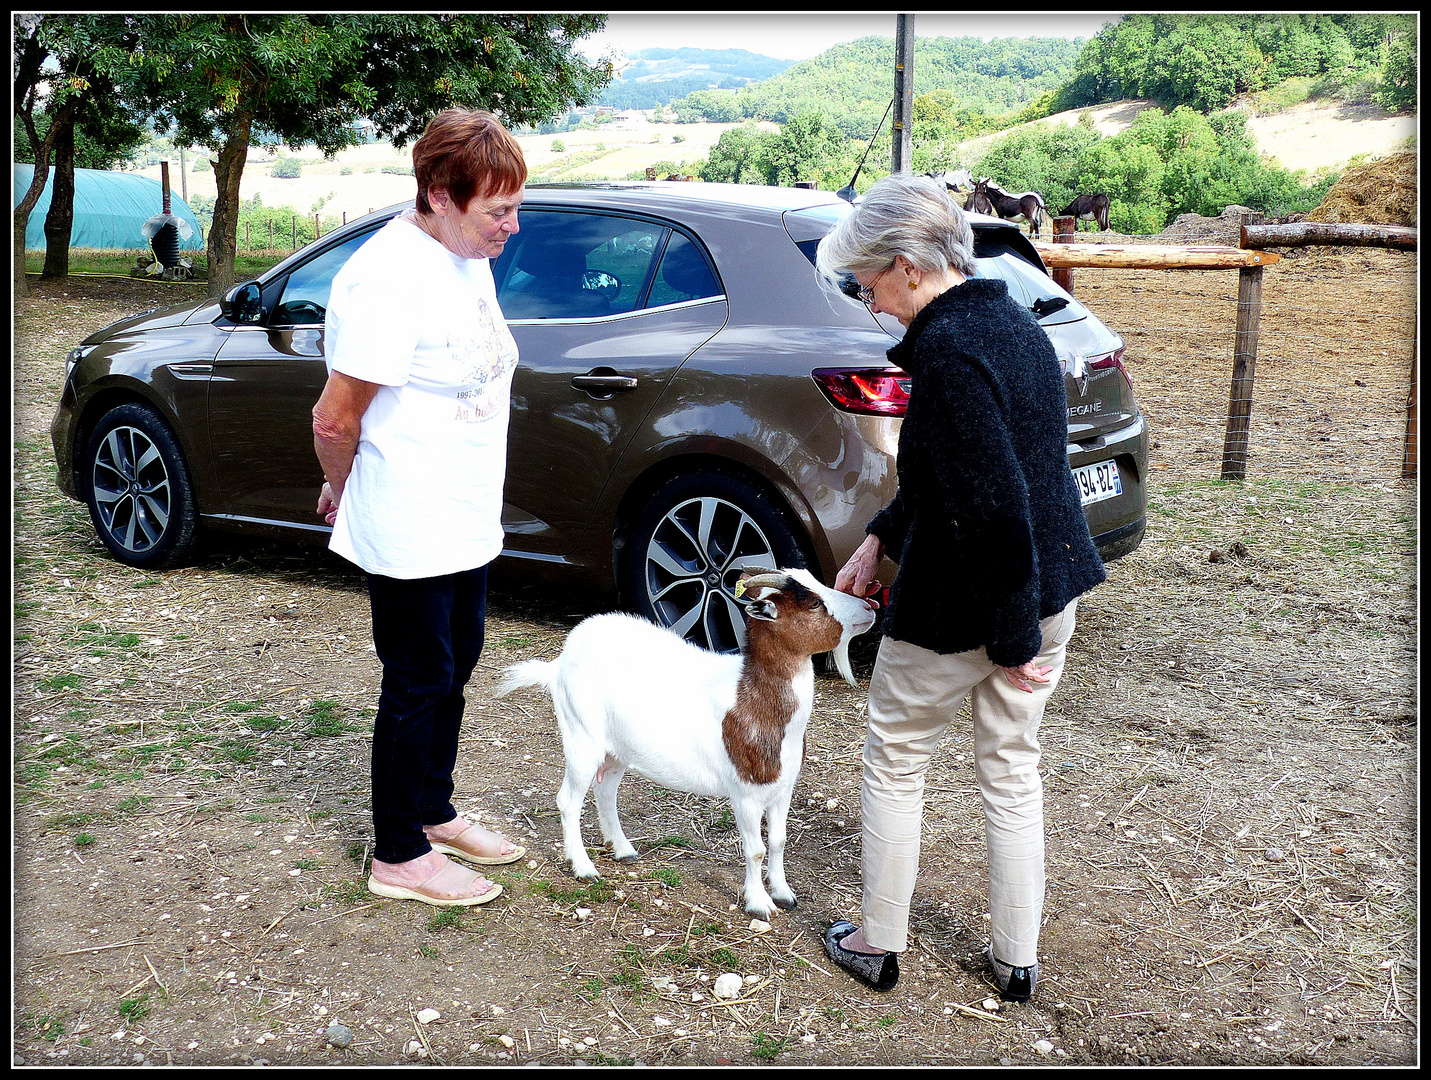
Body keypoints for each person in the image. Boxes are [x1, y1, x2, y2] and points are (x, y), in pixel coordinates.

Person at [813, 173, 1106, 997]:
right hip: (1050, 591)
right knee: (1012, 766)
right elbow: (957, 477)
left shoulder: (946, 353)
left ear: (906, 265)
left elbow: (996, 512)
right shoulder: (1010, 320)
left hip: (979, 607)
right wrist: (880, 538)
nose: (870, 304)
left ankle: (876, 943)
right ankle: (1016, 962)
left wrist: (1011, 641)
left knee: (895, 759)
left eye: (868, 285)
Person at [311, 109, 529, 907]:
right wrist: (340, 484)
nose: (511, 226)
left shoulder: (465, 254)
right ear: (439, 194)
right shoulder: (386, 277)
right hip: (407, 514)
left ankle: (431, 812)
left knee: (457, 663)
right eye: (496, 211)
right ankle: (398, 854)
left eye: (513, 207)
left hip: (464, 508)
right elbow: (335, 417)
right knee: (419, 676)